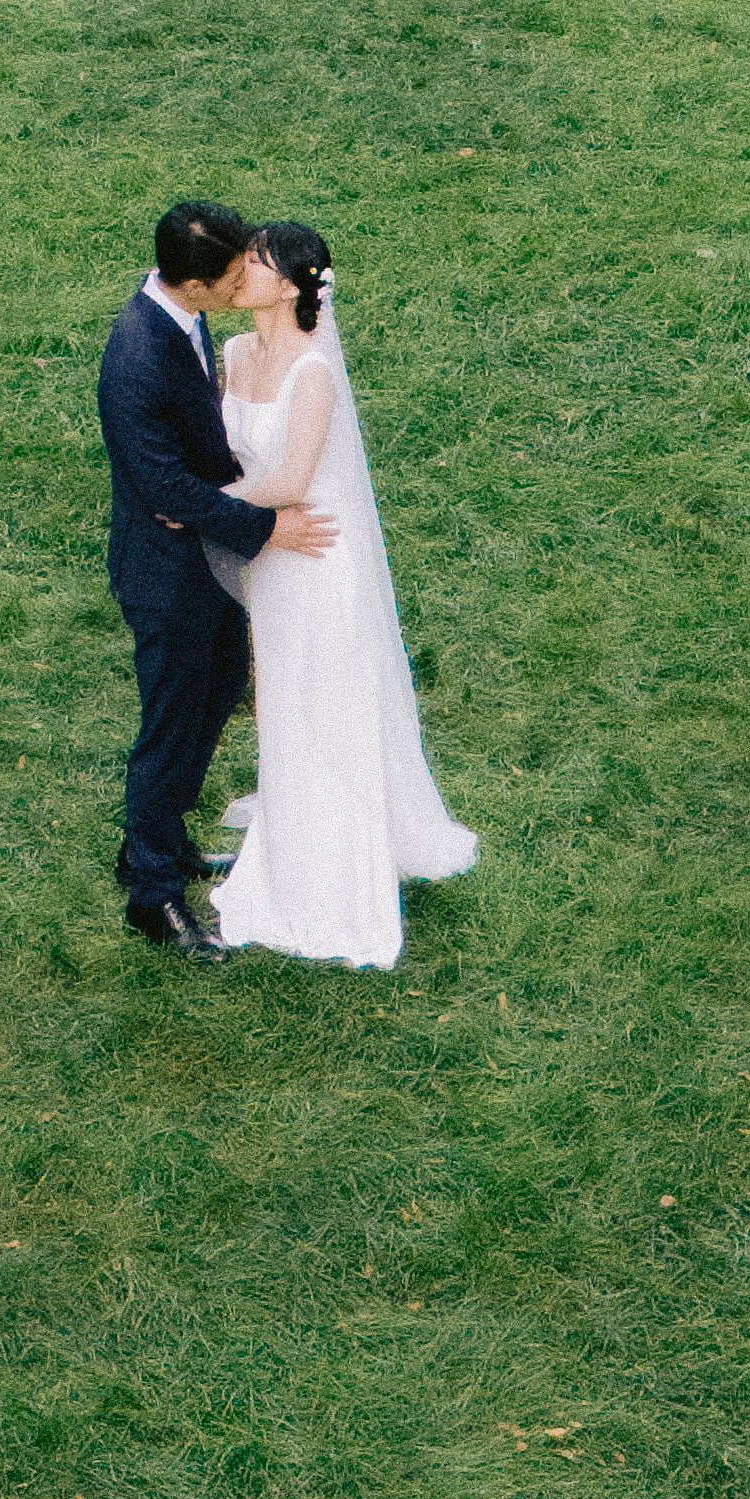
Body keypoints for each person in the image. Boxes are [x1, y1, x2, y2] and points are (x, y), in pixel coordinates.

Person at [197, 222, 477, 971]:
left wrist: (197, 506)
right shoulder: (234, 353)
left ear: (292, 285)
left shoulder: (314, 372)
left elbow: (292, 480)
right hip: (269, 557)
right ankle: (292, 850)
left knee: (325, 707)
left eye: (257, 262)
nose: (242, 269)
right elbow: (233, 458)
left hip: (317, 558)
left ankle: (334, 882)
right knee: (283, 706)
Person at [101, 200, 326, 956]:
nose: (242, 283)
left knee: (220, 684)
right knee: (171, 724)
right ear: (194, 284)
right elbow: (163, 489)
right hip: (166, 574)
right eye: (232, 276)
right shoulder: (136, 357)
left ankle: (164, 840)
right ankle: (152, 892)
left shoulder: (185, 318)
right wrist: (266, 526)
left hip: (204, 558)